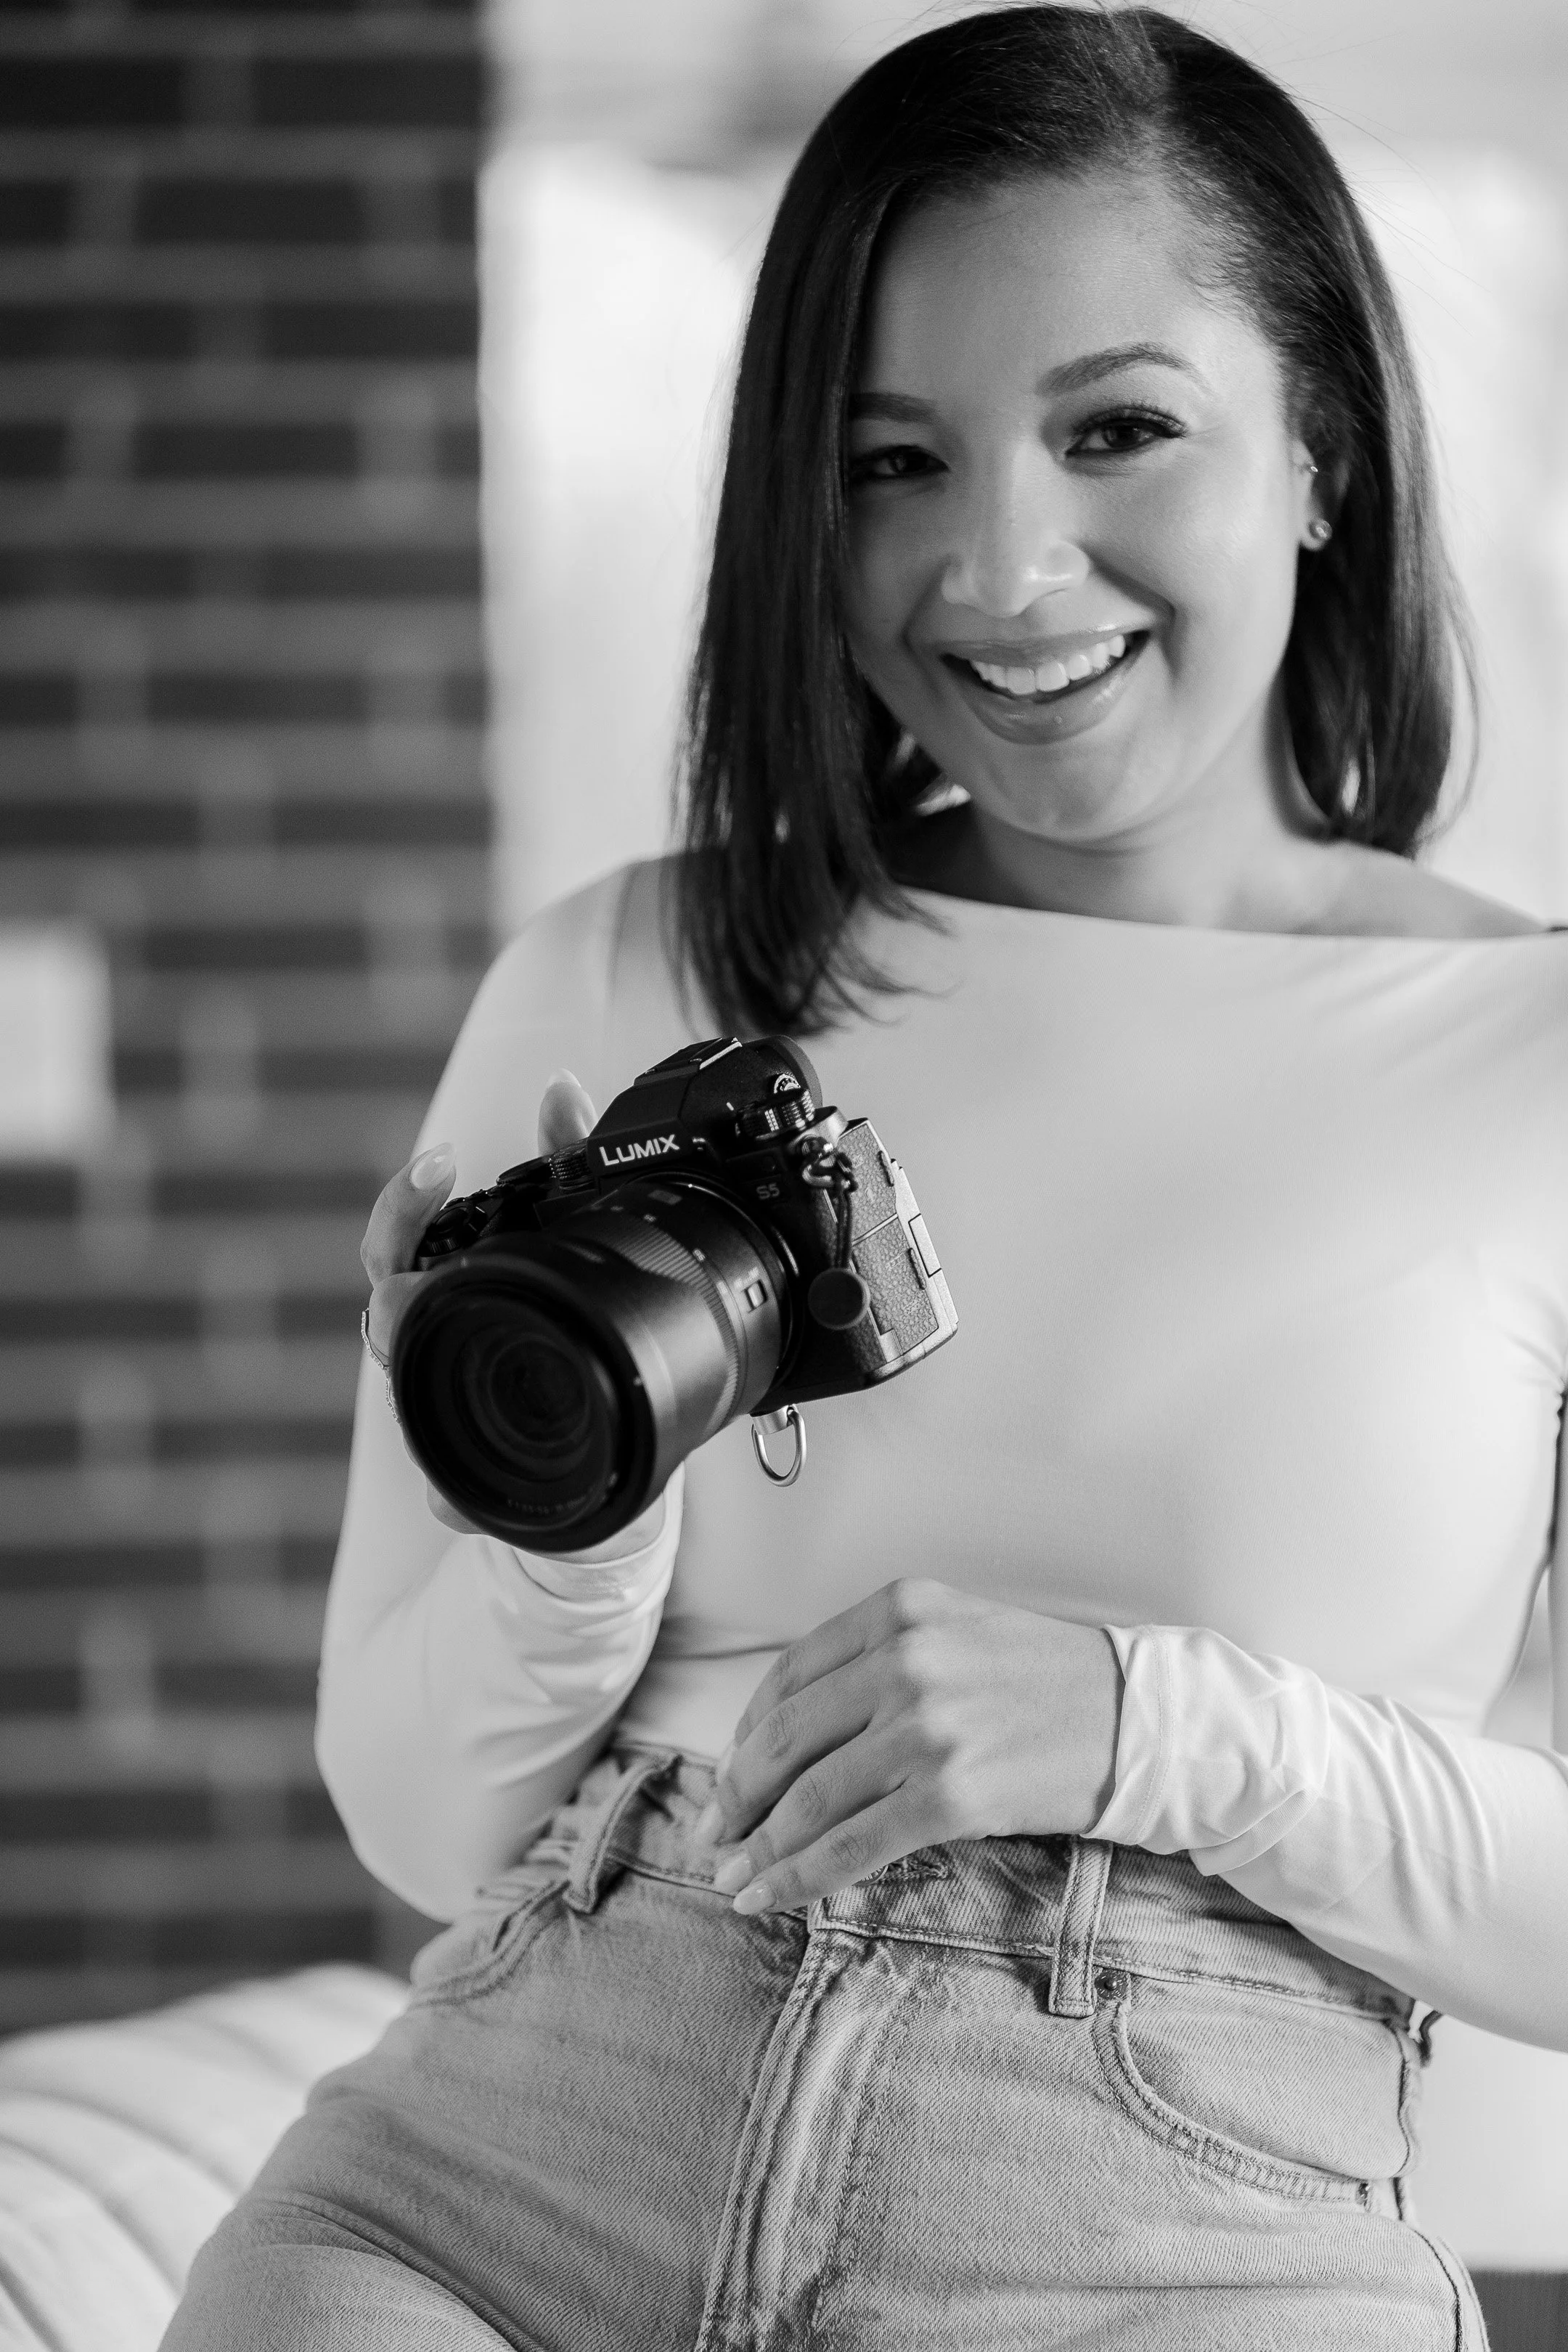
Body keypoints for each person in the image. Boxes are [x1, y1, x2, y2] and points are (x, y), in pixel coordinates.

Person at [163, 8, 1566, 2346]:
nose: (1002, 572)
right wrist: (568, 1526)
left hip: (1164, 2224)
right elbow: (424, 1828)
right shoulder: (622, 972)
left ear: (1323, 452)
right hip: (507, 2165)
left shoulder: (1533, 1062)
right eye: (890, 459)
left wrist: (1152, 1731)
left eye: (1117, 428)